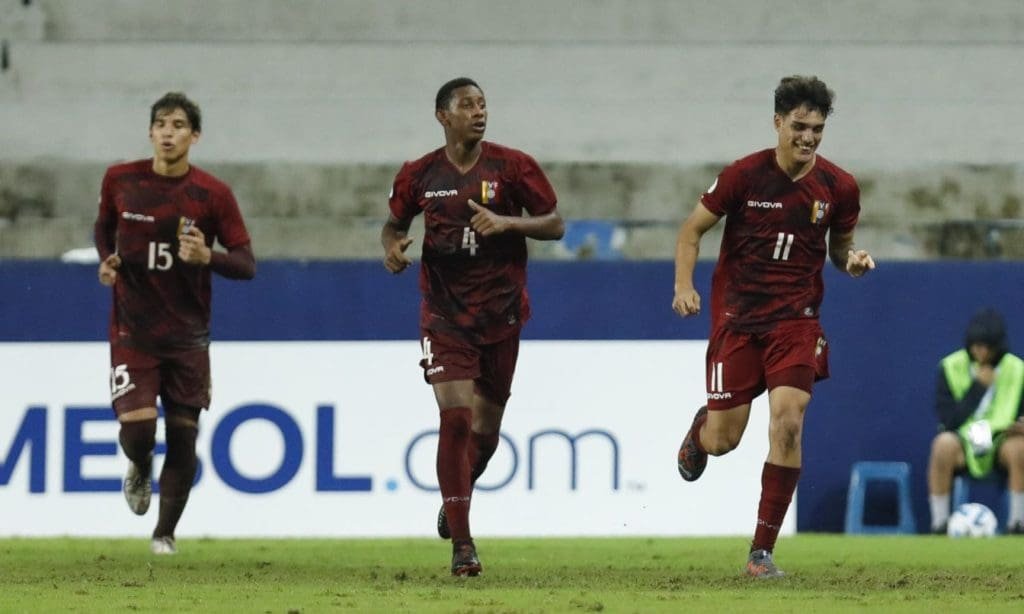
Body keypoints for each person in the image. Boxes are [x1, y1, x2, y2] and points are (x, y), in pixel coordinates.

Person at [672, 75, 875, 577]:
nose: (808, 138)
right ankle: (701, 431)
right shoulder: (743, 176)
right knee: (725, 440)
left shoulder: (839, 186)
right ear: (778, 123)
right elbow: (691, 230)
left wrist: (851, 261)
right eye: (799, 127)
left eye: (818, 129)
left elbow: (840, 248)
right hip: (739, 322)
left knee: (788, 420)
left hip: (797, 321)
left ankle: (761, 553)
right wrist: (684, 286)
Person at [381, 77, 564, 576]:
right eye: (467, 105)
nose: (479, 112)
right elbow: (394, 224)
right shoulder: (419, 174)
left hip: (501, 316)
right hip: (445, 317)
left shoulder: (513, 166)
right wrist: (392, 248)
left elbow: (554, 223)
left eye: (483, 103)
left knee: (484, 437)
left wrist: (509, 224)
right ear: (443, 115)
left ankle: (456, 495)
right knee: (456, 420)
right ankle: (463, 545)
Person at [94, 92, 255, 554]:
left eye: (179, 125)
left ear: (195, 135)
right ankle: (140, 464)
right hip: (133, 331)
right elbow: (103, 228)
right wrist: (108, 260)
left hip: (188, 337)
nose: (168, 132)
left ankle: (164, 534)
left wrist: (209, 256)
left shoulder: (212, 194)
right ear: (150, 132)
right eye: (161, 124)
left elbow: (246, 263)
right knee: (140, 432)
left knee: (184, 440)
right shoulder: (121, 180)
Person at [928, 308, 1024, 534]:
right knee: (942, 444)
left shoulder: (1017, 369)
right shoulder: (950, 367)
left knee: (1021, 448)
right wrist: (978, 388)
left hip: (1002, 441)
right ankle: (940, 523)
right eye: (976, 345)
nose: (980, 352)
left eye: (986, 347)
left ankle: (1017, 523)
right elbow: (949, 420)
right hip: (963, 441)